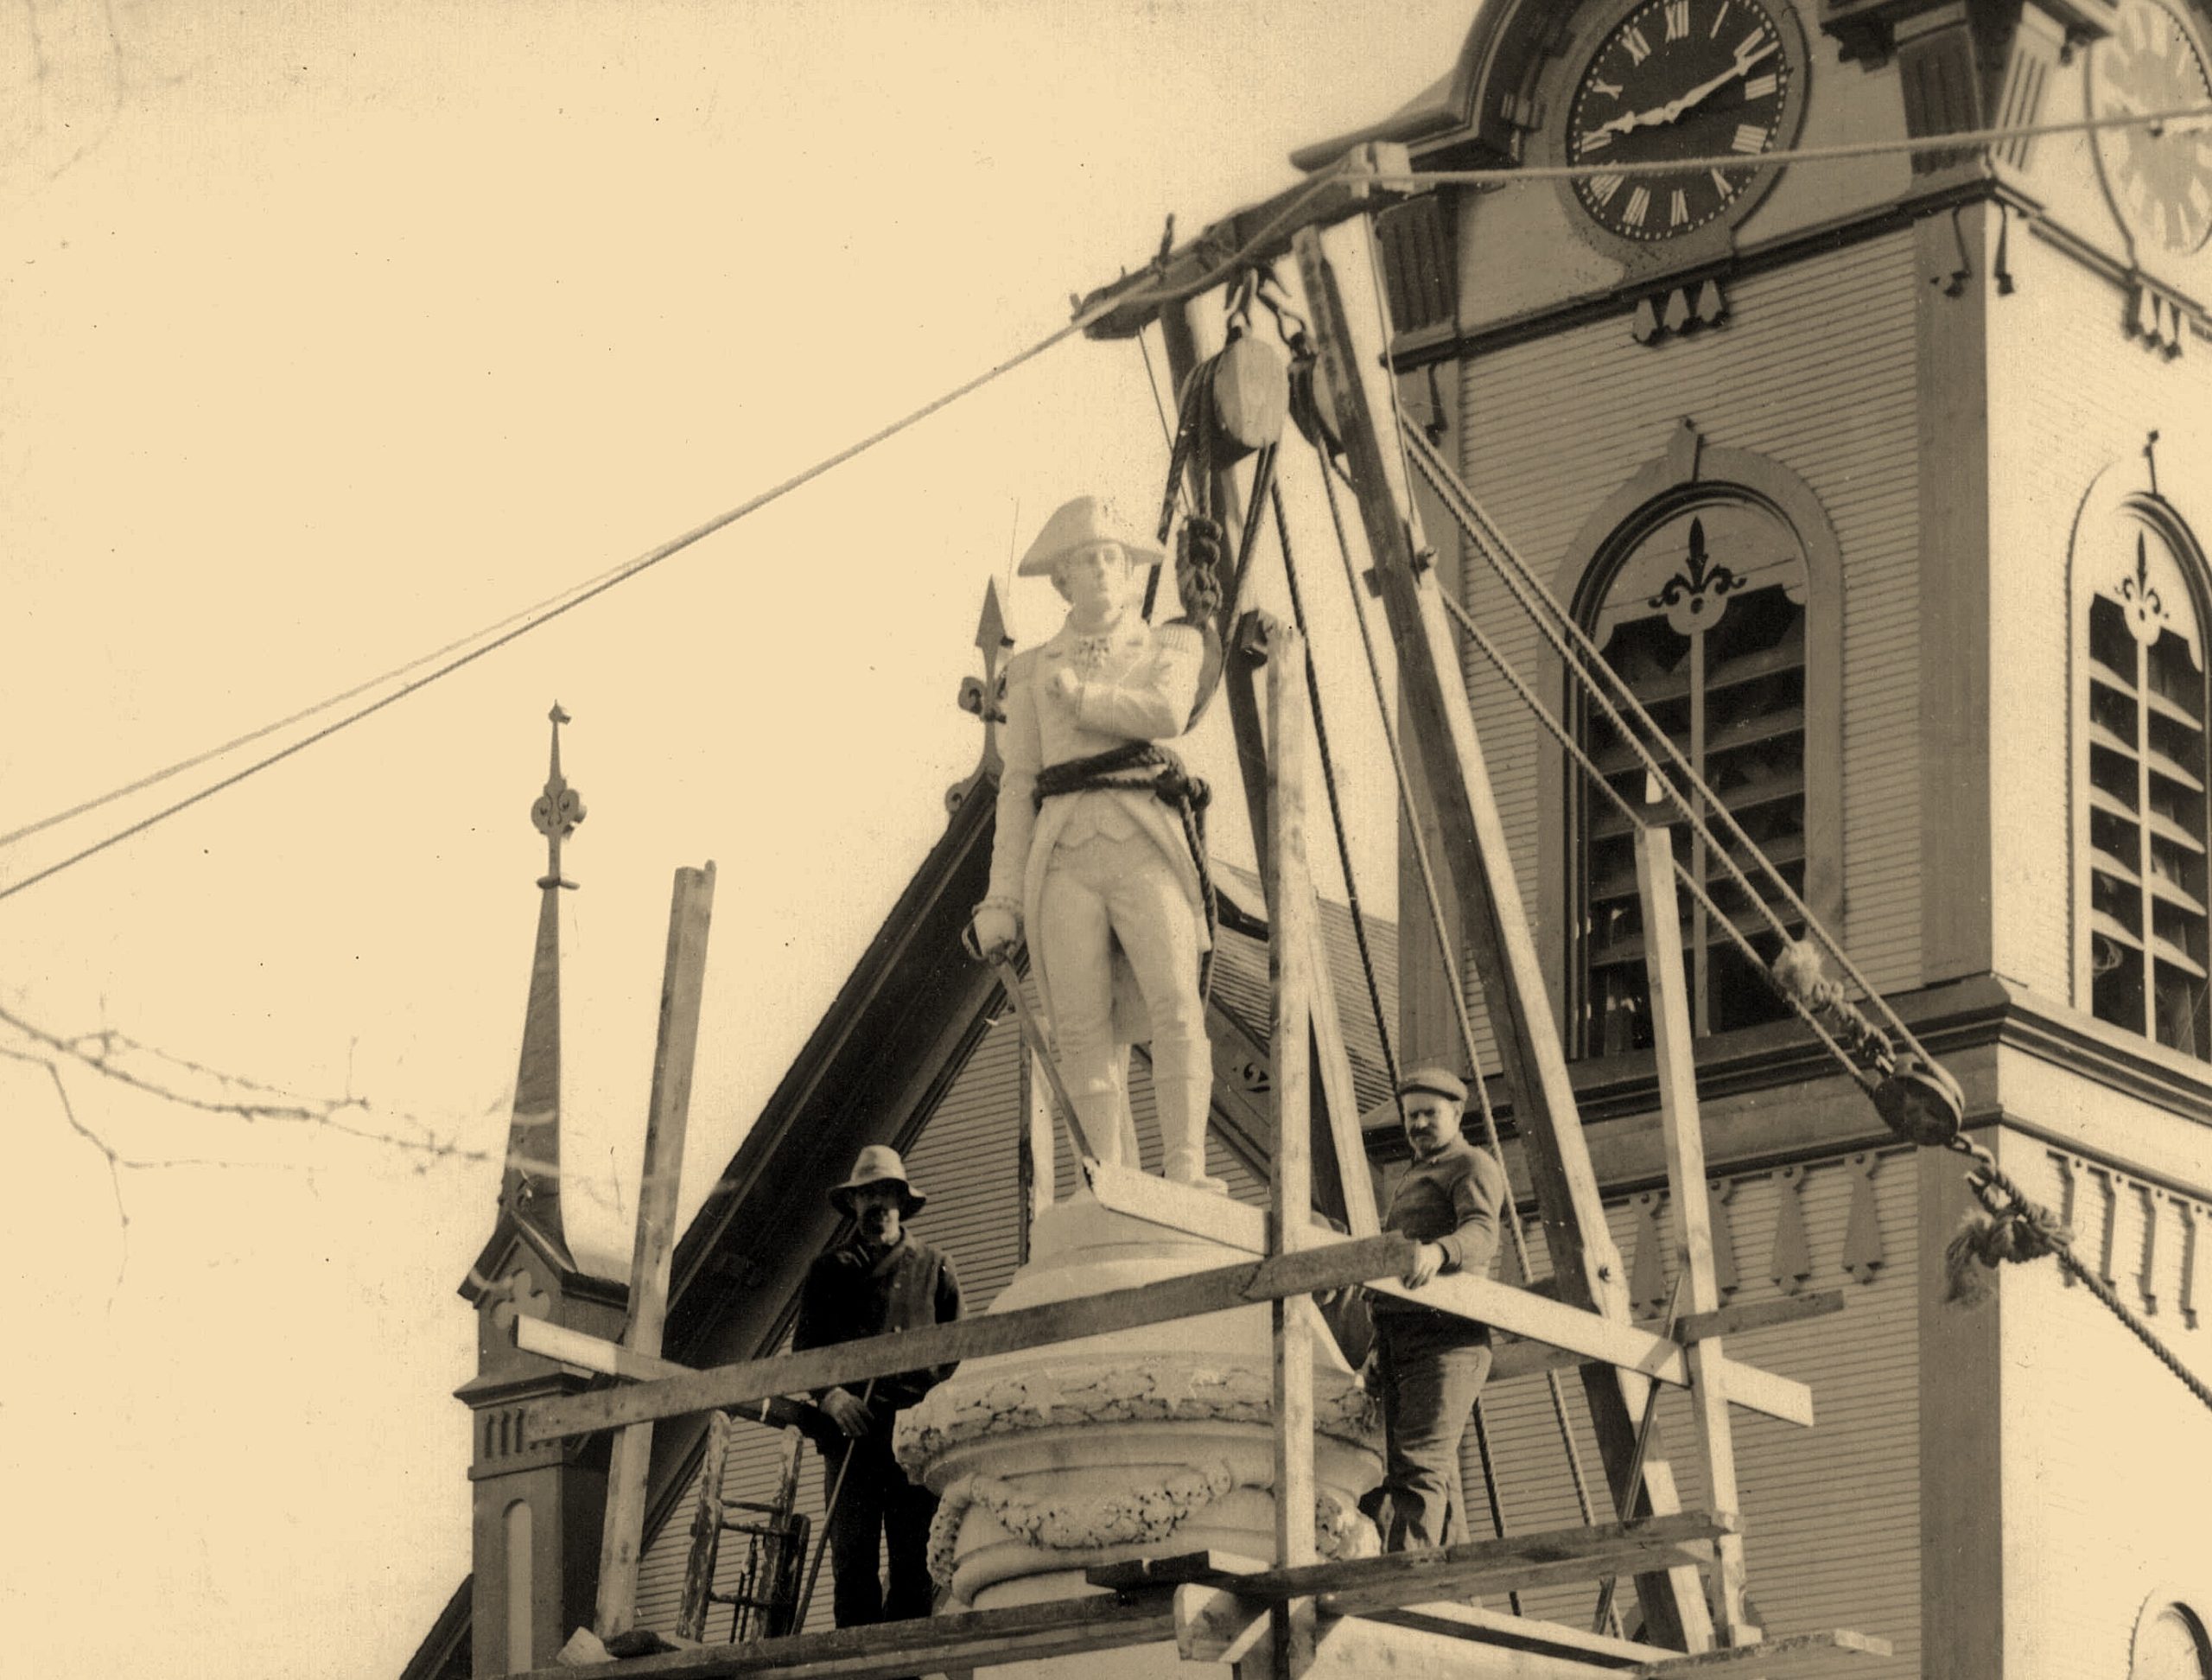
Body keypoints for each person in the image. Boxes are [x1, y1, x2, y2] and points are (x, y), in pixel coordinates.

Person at [969, 494, 1224, 1193]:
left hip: (1145, 840)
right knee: (1079, 1028)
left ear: (1131, 569)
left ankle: (1187, 1167)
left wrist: (1084, 700)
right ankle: (1105, 1181)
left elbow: (1167, 711)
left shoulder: (1170, 644)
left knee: (1176, 1004)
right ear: (1062, 580)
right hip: (1064, 856)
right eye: (1087, 560)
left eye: (1113, 557)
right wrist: (1002, 899)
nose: (1103, 569)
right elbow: (1019, 784)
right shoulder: (1030, 671)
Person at [791, 1146, 963, 1634]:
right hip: (852, 1441)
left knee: (915, 1566)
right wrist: (832, 1397)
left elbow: (959, 1355)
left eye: (887, 1193)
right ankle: (856, 1667)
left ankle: (904, 1667)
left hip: (914, 1441)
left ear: (902, 1202)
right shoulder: (828, 1271)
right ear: (853, 1203)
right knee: (852, 1566)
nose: (878, 1205)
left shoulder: (934, 1267)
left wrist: (934, 1412)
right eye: (867, 1195)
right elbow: (805, 1352)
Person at [1368, 1065, 1507, 1552]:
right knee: (1420, 1469)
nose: (1419, 1124)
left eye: (1430, 1114)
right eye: (1411, 1116)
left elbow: (1482, 1232)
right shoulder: (1414, 1176)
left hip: (1447, 1340)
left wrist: (1438, 1253)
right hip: (1401, 1337)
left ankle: (1407, 1576)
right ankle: (1447, 1574)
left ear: (1457, 1113)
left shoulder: (1471, 1165)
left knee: (1419, 1464)